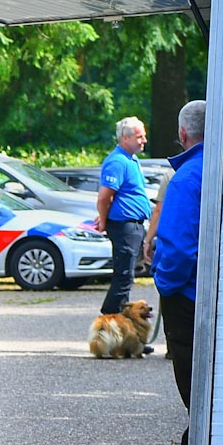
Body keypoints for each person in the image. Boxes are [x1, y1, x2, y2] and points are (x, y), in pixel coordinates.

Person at [145, 99, 207, 445]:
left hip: (186, 298)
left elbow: (179, 249)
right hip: (210, 293)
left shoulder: (187, 178)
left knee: (195, 390)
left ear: (183, 134)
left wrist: (164, 284)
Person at [96, 116, 152, 320]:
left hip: (134, 225)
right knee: (123, 275)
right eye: (140, 136)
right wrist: (103, 221)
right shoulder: (117, 161)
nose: (144, 140)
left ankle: (126, 326)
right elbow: (105, 196)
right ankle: (109, 320)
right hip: (124, 226)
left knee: (128, 276)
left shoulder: (131, 159)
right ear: (125, 138)